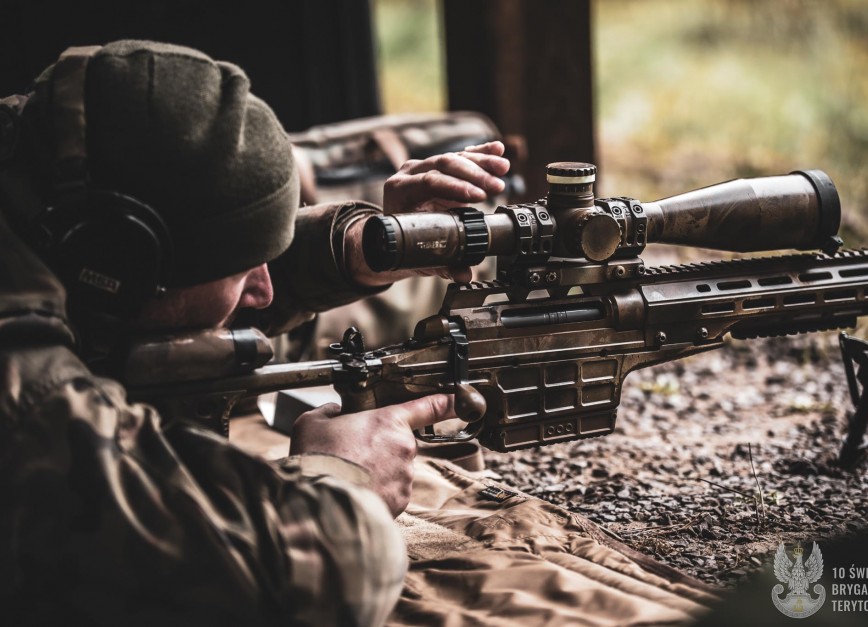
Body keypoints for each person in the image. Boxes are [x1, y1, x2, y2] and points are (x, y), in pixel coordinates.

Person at [0, 40, 509, 626]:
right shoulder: (20, 383)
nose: (265, 292)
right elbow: (306, 576)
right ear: (119, 263)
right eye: (243, 270)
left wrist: (354, 252)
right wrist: (347, 480)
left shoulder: (44, 193)